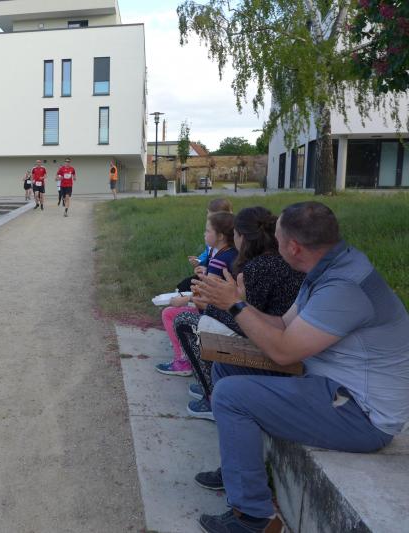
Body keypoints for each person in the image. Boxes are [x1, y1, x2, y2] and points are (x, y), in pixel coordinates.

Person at [190, 201, 409, 533]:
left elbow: (283, 352)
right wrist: (240, 303)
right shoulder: (328, 268)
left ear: (293, 247)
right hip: (332, 386)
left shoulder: (344, 287)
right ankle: (238, 469)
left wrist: (234, 306)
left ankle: (254, 518)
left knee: (231, 396)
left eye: (277, 237)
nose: (273, 242)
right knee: (227, 368)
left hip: (363, 414)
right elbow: (282, 325)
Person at [173, 207, 304, 420]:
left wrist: (211, 305)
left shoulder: (257, 267)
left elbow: (245, 324)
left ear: (242, 237)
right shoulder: (280, 261)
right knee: (203, 322)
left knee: (184, 322)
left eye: (235, 234)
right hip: (288, 342)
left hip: (274, 351)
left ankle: (211, 397)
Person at [156, 212, 237, 377]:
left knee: (169, 313)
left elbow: (207, 298)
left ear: (220, 236)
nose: (204, 234)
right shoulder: (231, 253)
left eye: (208, 231)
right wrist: (205, 273)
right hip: (228, 313)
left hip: (216, 315)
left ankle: (183, 361)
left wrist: (185, 300)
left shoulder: (218, 260)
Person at [177, 197, 233, 293]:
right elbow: (207, 253)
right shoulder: (217, 243)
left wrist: (191, 297)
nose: (204, 234)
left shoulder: (225, 253)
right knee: (183, 285)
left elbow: (212, 286)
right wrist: (200, 261)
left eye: (207, 231)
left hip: (217, 286)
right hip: (210, 275)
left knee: (185, 287)